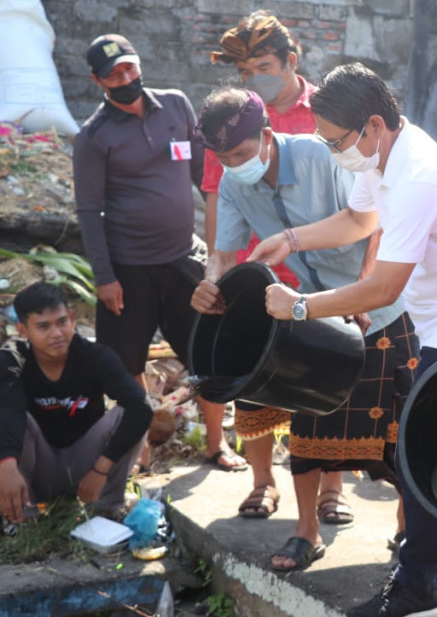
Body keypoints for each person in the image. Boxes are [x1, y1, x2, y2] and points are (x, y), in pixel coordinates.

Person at [247, 63, 437, 617]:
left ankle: (417, 593)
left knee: (417, 449)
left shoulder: (418, 175)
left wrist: (298, 306)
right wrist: (289, 240)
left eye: (335, 141)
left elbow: (382, 286)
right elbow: (356, 219)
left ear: (371, 125)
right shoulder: (382, 156)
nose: (330, 150)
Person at [191, 87, 414, 571]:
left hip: (381, 306)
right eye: (223, 157)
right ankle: (305, 532)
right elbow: (224, 253)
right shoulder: (233, 184)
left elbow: (373, 222)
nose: (234, 164)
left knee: (398, 435)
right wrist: (209, 284)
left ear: (267, 136)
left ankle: (407, 533)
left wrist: (364, 287)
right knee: (310, 421)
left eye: (242, 153)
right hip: (313, 313)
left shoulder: (320, 156)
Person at [205, 10, 357, 523]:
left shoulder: (328, 115)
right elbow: (219, 204)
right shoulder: (229, 128)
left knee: (326, 386)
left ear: (292, 63)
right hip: (267, 280)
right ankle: (264, 483)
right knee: (257, 392)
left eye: (265, 67)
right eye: (247, 73)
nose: (257, 81)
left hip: (334, 282)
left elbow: (365, 213)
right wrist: (217, 278)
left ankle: (332, 491)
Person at [71, 34, 242, 473]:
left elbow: (205, 173)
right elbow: (89, 211)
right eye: (114, 74)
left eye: (130, 67)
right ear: (97, 80)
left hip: (182, 259)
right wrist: (104, 277)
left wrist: (222, 244)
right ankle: (138, 446)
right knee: (126, 362)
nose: (126, 78)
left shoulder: (177, 106)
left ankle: (216, 444)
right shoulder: (94, 136)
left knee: (205, 353)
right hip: (128, 271)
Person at [0, 282, 153, 522]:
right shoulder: (13, 359)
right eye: (43, 327)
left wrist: (100, 468)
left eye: (61, 322)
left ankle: (108, 507)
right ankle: (22, 515)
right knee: (16, 419)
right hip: (38, 468)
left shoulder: (95, 356)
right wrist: (6, 465)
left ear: (72, 319)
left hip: (87, 466)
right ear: (22, 330)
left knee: (128, 412)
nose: (56, 333)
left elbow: (141, 409)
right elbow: (9, 409)